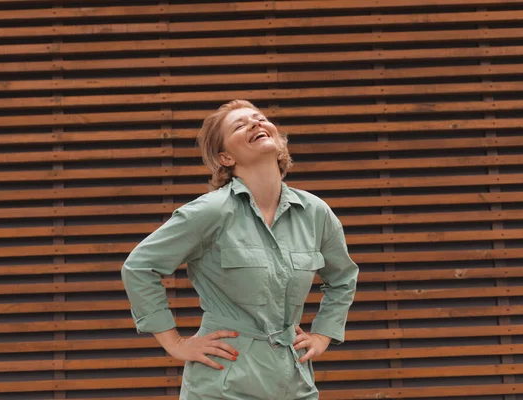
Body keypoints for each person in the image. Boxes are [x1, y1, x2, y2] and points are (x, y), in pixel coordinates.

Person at [121, 99, 359, 399]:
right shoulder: (210, 212)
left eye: (260, 118)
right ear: (225, 157)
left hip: (294, 382)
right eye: (240, 125)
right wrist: (176, 344)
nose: (256, 123)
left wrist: (323, 334)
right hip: (224, 382)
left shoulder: (315, 213)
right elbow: (140, 267)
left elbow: (342, 278)